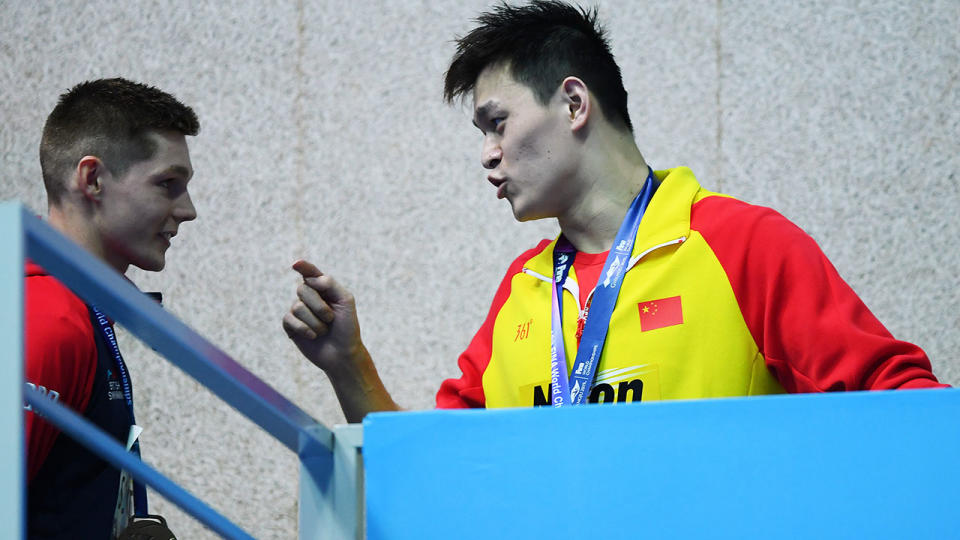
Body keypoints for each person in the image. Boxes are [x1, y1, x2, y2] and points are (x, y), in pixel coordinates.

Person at [283, 1, 945, 422]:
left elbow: (913, 415)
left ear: (574, 104)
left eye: (497, 123)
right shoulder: (524, 289)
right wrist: (349, 363)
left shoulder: (743, 245)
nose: (487, 155)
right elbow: (436, 471)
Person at [24, 77, 199, 539]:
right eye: (168, 184)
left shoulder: (79, 308)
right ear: (93, 179)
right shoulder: (48, 319)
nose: (188, 210)